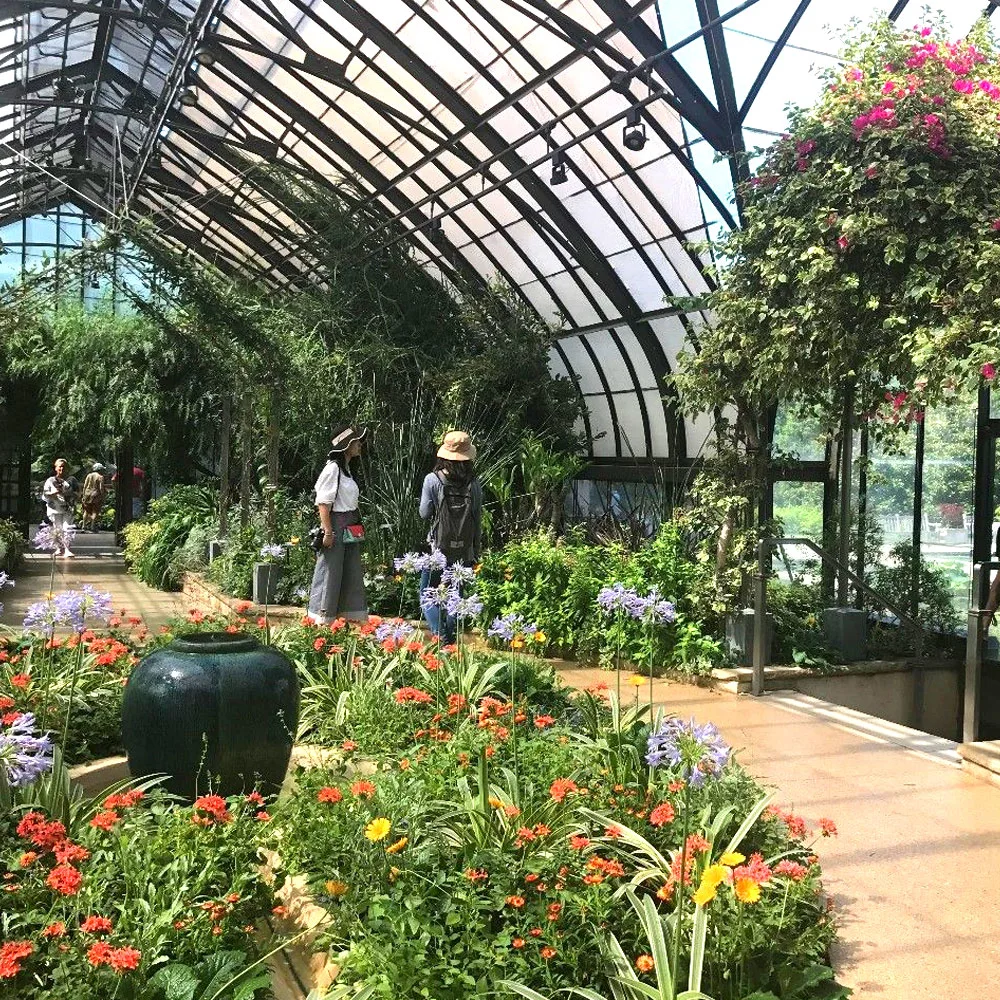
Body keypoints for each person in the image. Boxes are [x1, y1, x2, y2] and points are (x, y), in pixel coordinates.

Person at [419, 430, 483, 643]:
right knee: (457, 597)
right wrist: (476, 551)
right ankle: (450, 639)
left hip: (437, 548)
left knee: (427, 595)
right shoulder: (474, 483)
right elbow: (477, 518)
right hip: (463, 549)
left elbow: (424, 513)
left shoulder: (432, 479)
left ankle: (441, 635)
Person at [307, 424, 368, 625]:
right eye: (356, 442)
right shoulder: (333, 469)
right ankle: (321, 620)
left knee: (349, 571)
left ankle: (344, 618)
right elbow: (323, 503)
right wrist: (328, 532)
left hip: (350, 526)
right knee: (330, 571)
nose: (359, 445)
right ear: (346, 445)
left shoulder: (347, 469)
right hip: (336, 526)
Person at [42, 457, 75, 558]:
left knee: (67, 528)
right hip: (55, 508)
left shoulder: (70, 480)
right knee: (58, 529)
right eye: (60, 467)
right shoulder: (50, 480)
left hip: (66, 508)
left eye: (64, 467)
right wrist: (53, 493)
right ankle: (58, 548)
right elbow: (45, 493)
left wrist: (66, 493)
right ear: (56, 468)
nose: (62, 469)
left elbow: (74, 493)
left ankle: (67, 549)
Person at [80, 463, 107, 532]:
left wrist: (83, 495)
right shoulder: (100, 477)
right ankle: (92, 527)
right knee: (95, 511)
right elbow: (101, 488)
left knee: (86, 511)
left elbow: (85, 486)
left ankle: (84, 526)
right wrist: (103, 496)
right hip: (96, 495)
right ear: (99, 469)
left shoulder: (89, 475)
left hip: (87, 494)